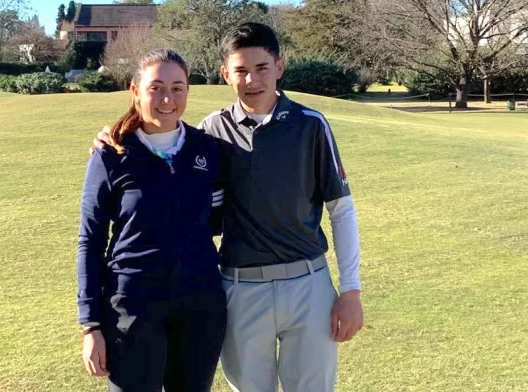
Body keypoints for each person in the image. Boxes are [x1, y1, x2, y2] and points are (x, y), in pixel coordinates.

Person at [94, 23, 364, 392]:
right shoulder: (210, 134)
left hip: (308, 285)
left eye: (262, 68)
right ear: (225, 75)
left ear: (280, 67)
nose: (252, 79)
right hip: (240, 288)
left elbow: (342, 210)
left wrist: (351, 290)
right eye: (240, 70)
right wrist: (114, 136)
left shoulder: (311, 125)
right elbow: (169, 161)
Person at [76, 48, 227, 392]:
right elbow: (90, 240)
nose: (167, 98)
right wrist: (90, 325)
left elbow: (216, 221)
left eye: (177, 88)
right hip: (132, 307)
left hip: (199, 307)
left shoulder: (207, 149)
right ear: (135, 91)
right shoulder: (111, 154)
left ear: (188, 91)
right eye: (156, 87)